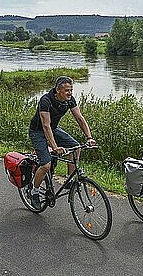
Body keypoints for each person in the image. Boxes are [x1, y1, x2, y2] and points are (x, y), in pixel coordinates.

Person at [28, 76, 96, 209]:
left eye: (71, 90)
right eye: (66, 90)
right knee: (46, 165)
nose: (70, 93)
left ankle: (69, 180)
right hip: (38, 132)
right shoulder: (46, 100)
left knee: (76, 147)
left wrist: (89, 137)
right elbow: (46, 126)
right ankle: (33, 191)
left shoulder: (69, 100)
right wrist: (54, 147)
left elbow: (79, 118)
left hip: (53, 129)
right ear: (58, 90)